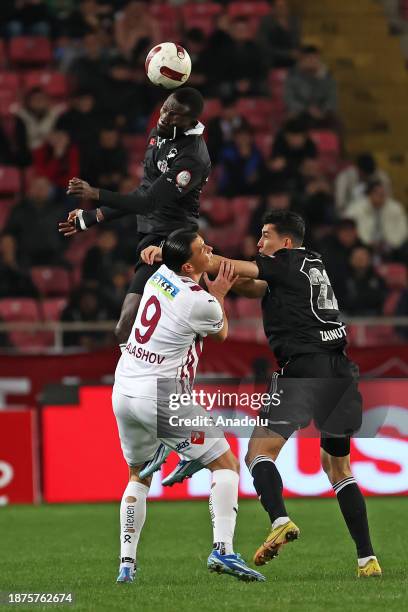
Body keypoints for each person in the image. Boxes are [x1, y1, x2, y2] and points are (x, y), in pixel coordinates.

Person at [140, 210, 382, 578]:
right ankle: (368, 559)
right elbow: (250, 284)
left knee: (257, 453)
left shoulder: (283, 262)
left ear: (285, 243)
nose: (259, 242)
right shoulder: (311, 263)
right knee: (338, 468)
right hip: (340, 371)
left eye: (266, 236)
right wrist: (213, 271)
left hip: (302, 369)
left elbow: (239, 267)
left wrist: (176, 254)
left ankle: (280, 519)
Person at [113, 229, 265, 583]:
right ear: (186, 263)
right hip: (162, 395)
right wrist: (221, 294)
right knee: (226, 463)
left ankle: (126, 563)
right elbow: (223, 332)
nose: (210, 248)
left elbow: (159, 257)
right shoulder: (201, 301)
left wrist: (155, 251)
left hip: (124, 388)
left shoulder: (158, 273)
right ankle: (223, 550)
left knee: (139, 475)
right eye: (201, 248)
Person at [59, 87, 211, 350]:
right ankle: (142, 380)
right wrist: (91, 217)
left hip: (175, 242)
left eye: (175, 116)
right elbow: (144, 192)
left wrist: (95, 193)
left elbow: (148, 202)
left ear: (191, 121)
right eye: (165, 109)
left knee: (142, 327)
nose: (165, 117)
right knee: (125, 328)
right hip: (150, 237)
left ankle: (156, 380)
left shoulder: (193, 157)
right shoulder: (158, 136)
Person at [345, 180, 408, 258]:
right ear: (369, 194)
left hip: (391, 245)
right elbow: (348, 227)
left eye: (383, 194)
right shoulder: (356, 208)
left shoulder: (395, 208)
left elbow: (403, 230)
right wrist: (367, 242)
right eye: (377, 193)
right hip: (364, 244)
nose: (381, 196)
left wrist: (392, 243)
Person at [284, 45, 338, 129]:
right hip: (300, 112)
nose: (312, 61)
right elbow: (289, 99)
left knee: (336, 123)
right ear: (302, 60)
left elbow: (332, 98)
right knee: (291, 119)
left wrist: (322, 111)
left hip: (321, 113)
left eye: (315, 58)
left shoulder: (326, 77)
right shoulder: (293, 75)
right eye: (309, 58)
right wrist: (307, 110)